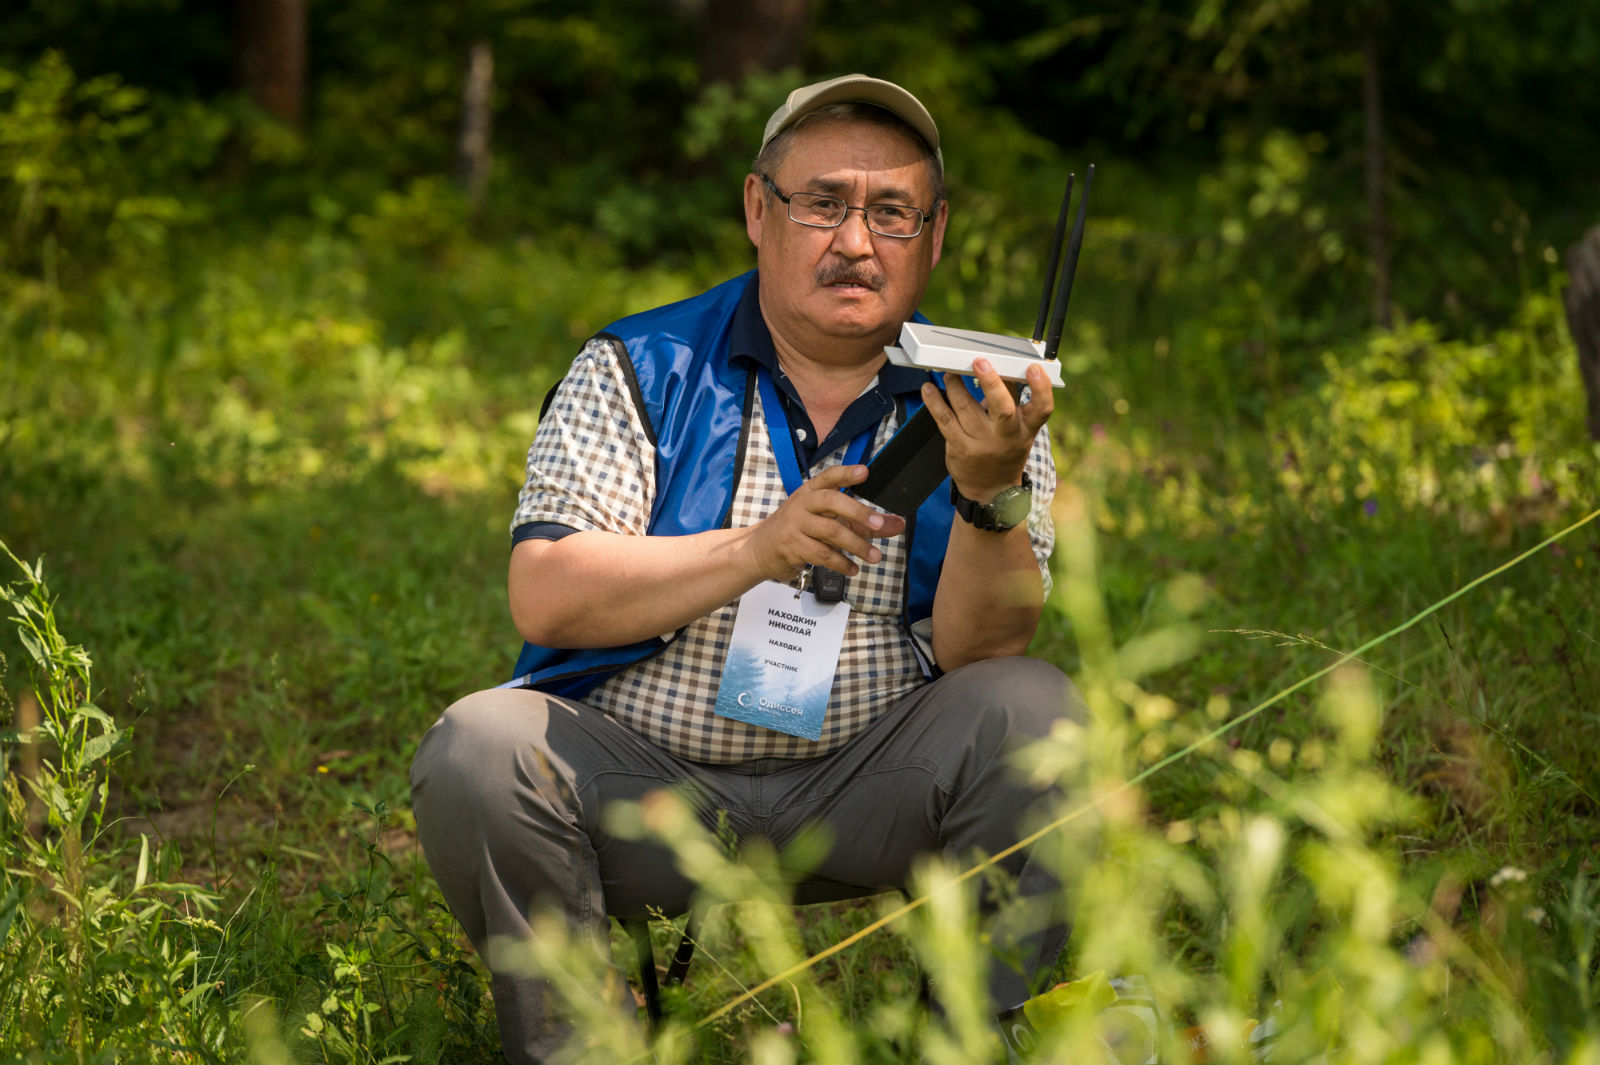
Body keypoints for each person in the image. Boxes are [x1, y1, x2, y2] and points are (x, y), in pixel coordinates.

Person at [409, 73, 1090, 1064]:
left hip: (871, 784)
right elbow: (545, 593)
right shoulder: (640, 365)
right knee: (480, 748)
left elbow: (989, 653)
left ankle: (975, 1046)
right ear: (756, 211)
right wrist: (754, 550)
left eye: (891, 214)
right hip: (646, 790)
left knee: (1037, 714)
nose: (855, 242)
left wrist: (988, 492)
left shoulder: (980, 397)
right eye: (822, 204)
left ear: (934, 240)